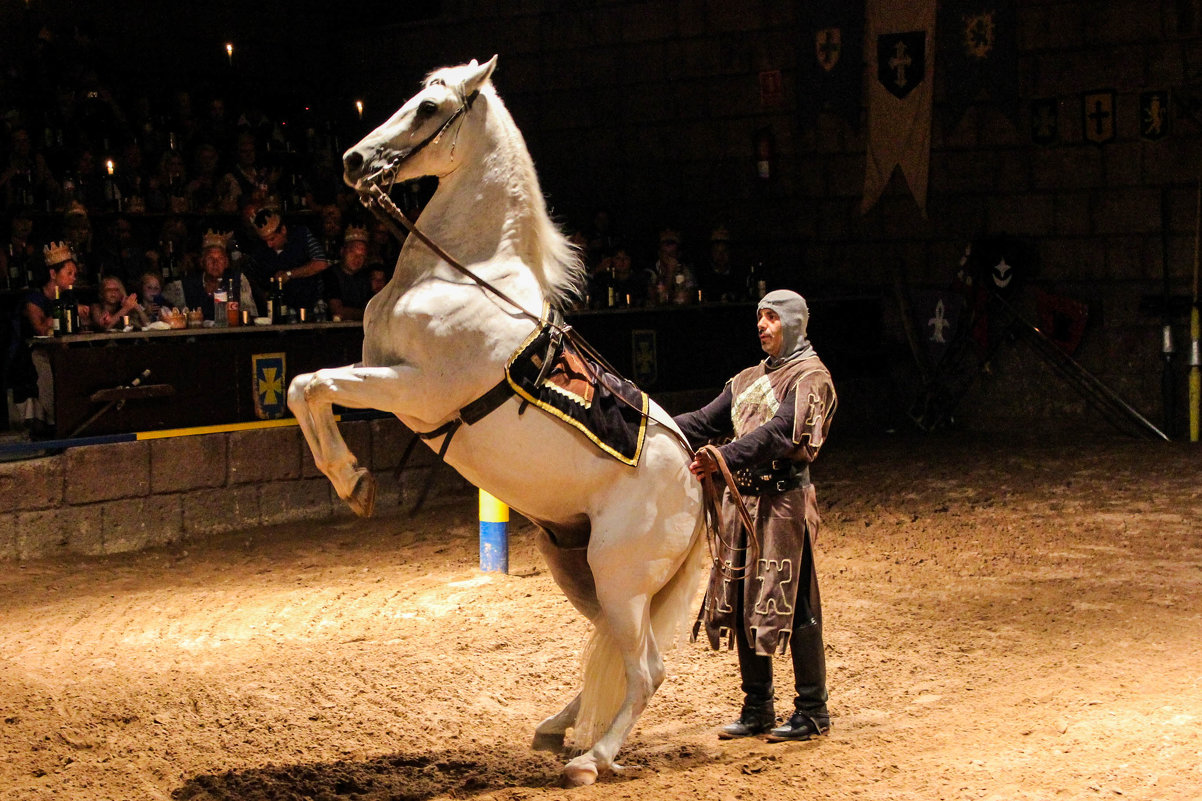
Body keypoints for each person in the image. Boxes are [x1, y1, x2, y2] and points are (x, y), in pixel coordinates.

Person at [673, 289, 837, 742]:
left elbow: (781, 432)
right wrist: (647, 420)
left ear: (793, 323)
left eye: (771, 318)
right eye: (759, 318)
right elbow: (703, 421)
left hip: (784, 506)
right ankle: (757, 706)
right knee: (745, 601)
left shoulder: (810, 377)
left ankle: (812, 709)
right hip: (742, 505)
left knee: (796, 602)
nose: (761, 325)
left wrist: (722, 456)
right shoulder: (745, 379)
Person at [241, 207, 328, 318]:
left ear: (283, 230)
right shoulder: (260, 249)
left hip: (311, 304)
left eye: (272, 239)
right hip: (280, 310)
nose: (269, 245)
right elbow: (248, 275)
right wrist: (262, 294)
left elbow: (321, 263)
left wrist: (289, 274)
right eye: (265, 241)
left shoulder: (301, 235)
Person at [163, 230, 258, 321]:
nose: (215, 263)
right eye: (210, 258)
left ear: (226, 262)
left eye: (220, 258)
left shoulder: (238, 280)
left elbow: (250, 314)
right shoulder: (186, 284)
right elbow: (163, 304)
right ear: (202, 262)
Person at [324, 224, 372, 321]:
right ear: (342, 252)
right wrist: (363, 314)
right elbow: (337, 311)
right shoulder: (331, 274)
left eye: (361, 256)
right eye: (352, 253)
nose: (357, 259)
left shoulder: (365, 277)